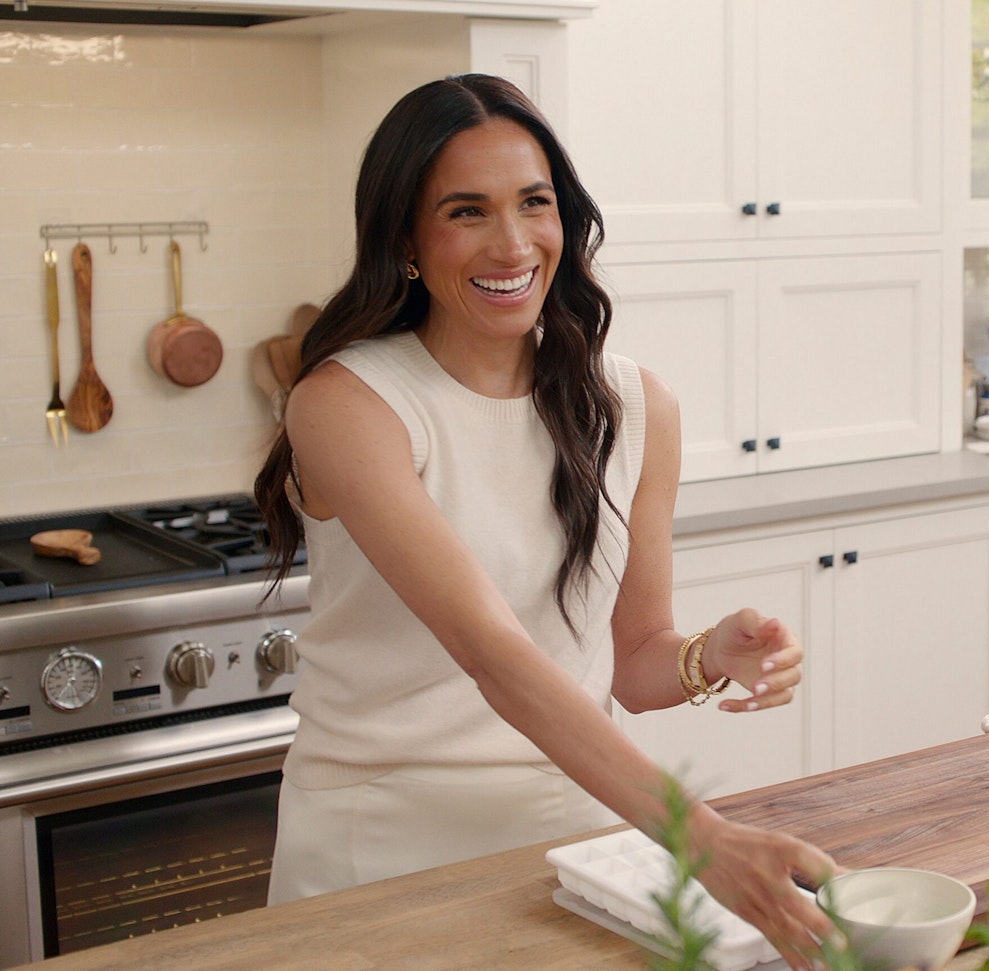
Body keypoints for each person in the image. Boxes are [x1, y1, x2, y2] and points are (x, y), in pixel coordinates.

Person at [252, 74, 837, 968]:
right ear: (406, 238)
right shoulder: (348, 405)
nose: (513, 241)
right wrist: (705, 839)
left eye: (535, 203)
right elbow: (495, 659)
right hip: (379, 853)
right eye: (466, 211)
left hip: (577, 847)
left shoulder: (635, 405)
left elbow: (630, 663)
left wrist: (709, 654)